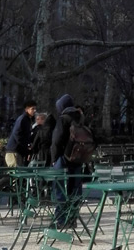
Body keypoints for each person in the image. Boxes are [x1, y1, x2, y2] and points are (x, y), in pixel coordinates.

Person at [50, 93, 88, 228]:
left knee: (59, 188)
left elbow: (56, 140)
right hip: (78, 158)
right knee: (75, 190)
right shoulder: (81, 118)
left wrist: (54, 158)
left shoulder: (63, 118)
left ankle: (60, 220)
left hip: (63, 157)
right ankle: (72, 219)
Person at [5, 99, 37, 167]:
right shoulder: (23, 119)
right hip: (14, 151)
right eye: (32, 109)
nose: (34, 111)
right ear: (26, 109)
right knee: (16, 173)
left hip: (18, 151)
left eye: (35, 109)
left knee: (19, 173)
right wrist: (24, 145)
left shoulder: (27, 119)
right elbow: (17, 133)